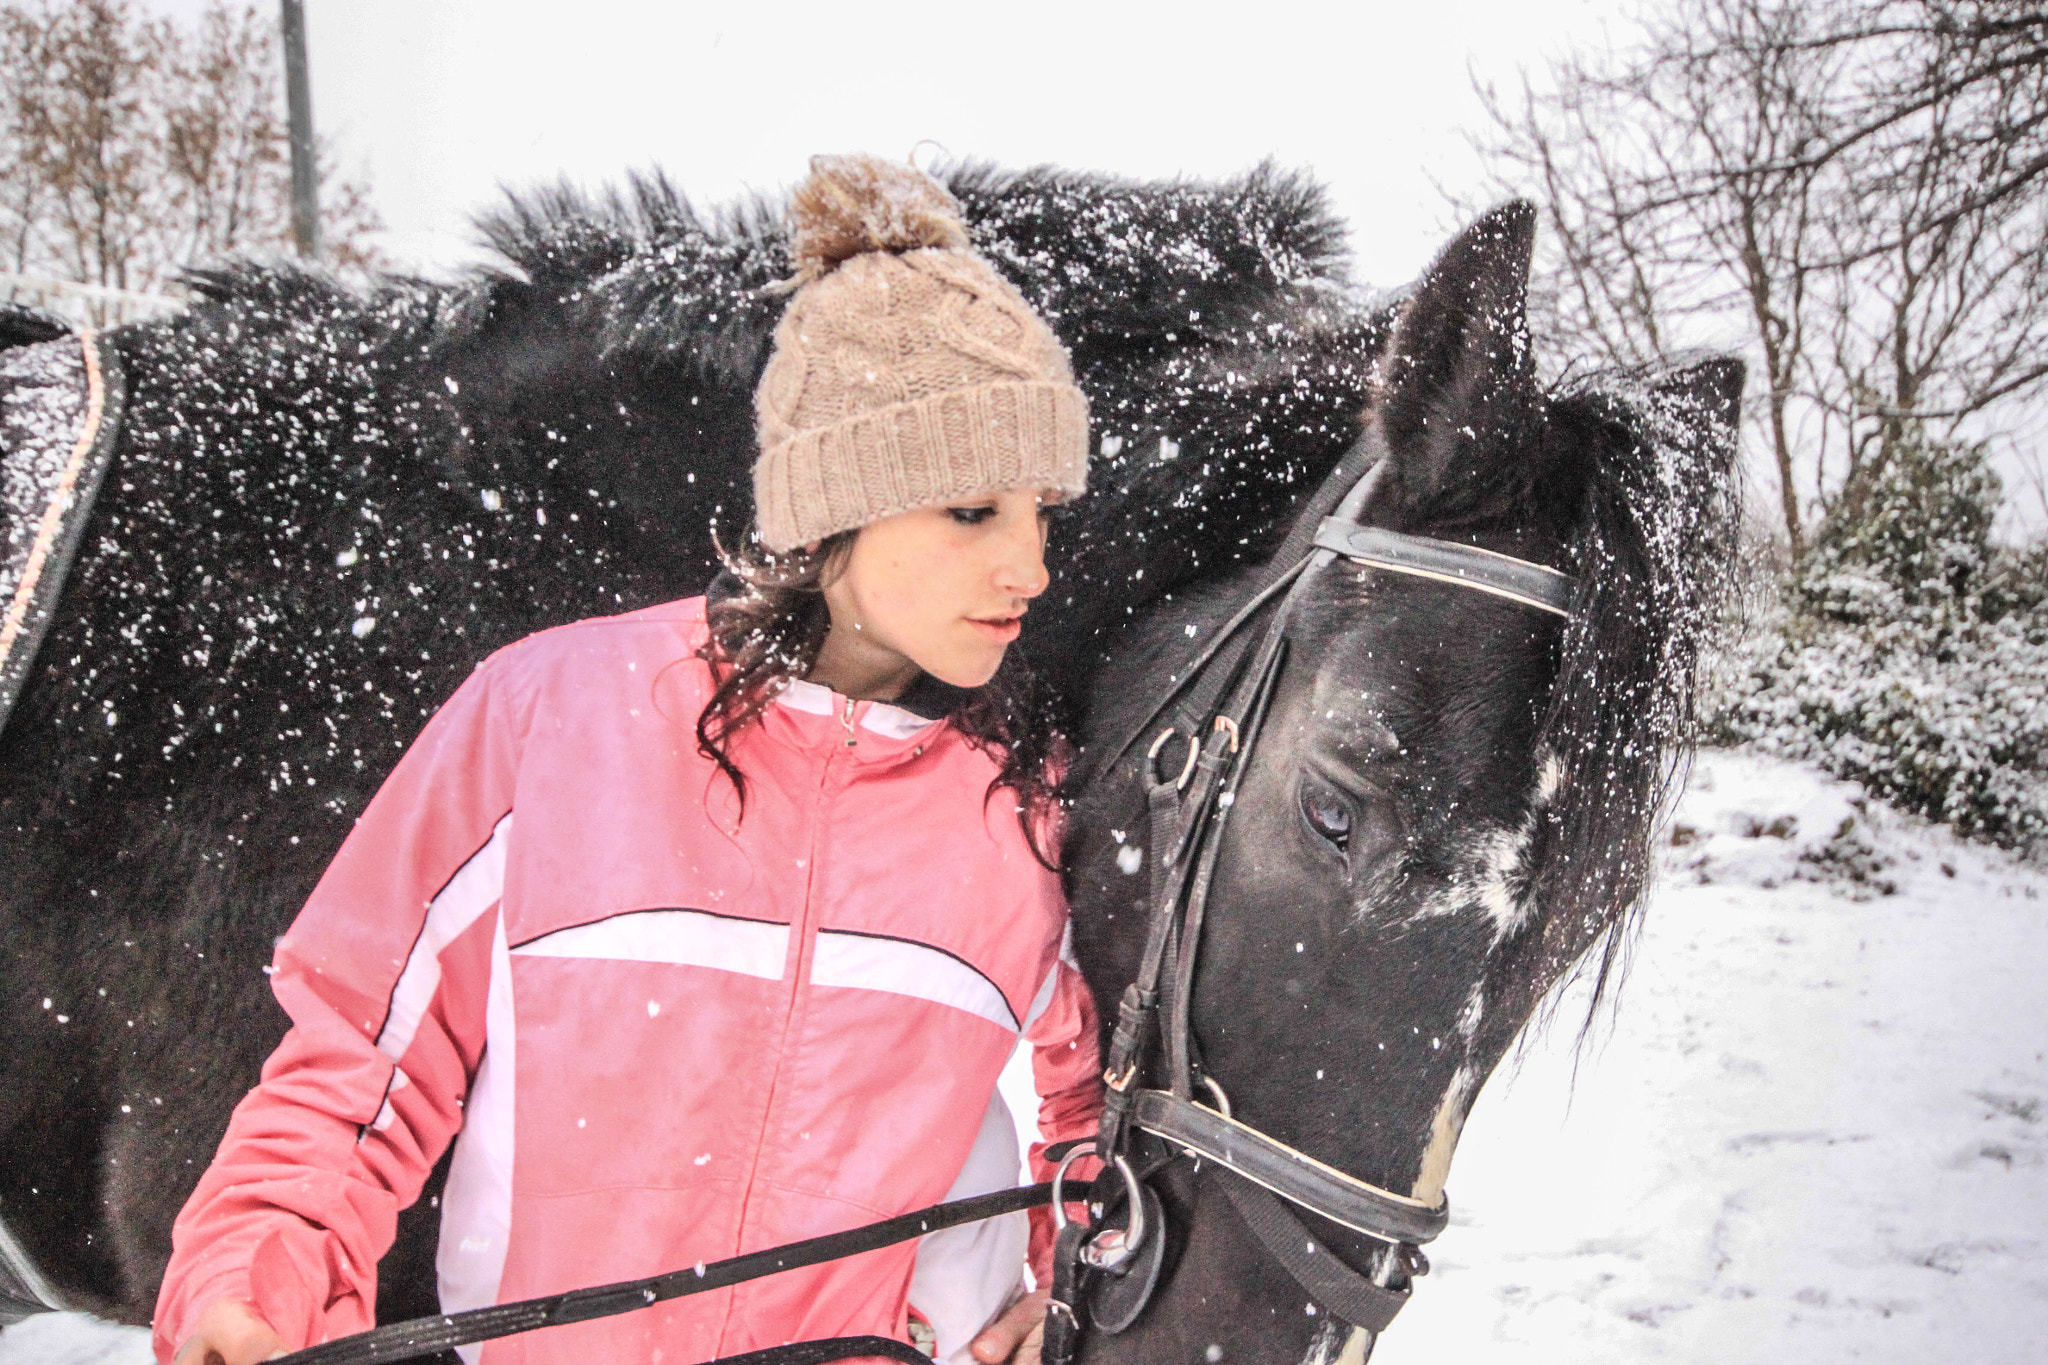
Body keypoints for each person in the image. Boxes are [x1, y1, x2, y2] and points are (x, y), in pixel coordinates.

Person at [153, 153, 1103, 1365]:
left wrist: (1067, 1297)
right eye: (973, 511)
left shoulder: (1021, 807)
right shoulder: (552, 714)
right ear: (831, 513)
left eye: (1042, 515)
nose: (1028, 568)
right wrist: (253, 1282)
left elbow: (1099, 1124)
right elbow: (356, 1057)